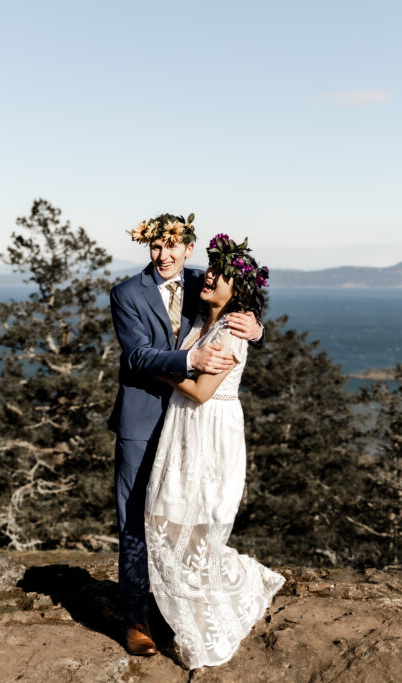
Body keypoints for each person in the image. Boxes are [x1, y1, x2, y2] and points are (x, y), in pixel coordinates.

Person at [107, 214, 263, 657]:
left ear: (188, 248)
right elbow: (137, 356)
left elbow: (235, 317)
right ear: (147, 247)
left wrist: (259, 330)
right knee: (136, 520)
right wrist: (189, 361)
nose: (164, 256)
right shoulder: (126, 294)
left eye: (172, 247)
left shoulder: (203, 280)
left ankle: (174, 609)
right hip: (143, 422)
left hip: (192, 428)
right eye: (155, 247)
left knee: (184, 522)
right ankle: (136, 619)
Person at [145, 233, 284, 669]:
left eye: (221, 275)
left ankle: (202, 622)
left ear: (237, 291)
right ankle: (190, 609)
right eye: (211, 268)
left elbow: (203, 392)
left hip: (207, 430)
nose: (210, 276)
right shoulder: (205, 320)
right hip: (184, 428)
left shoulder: (233, 329)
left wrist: (159, 365)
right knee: (169, 520)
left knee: (189, 525)